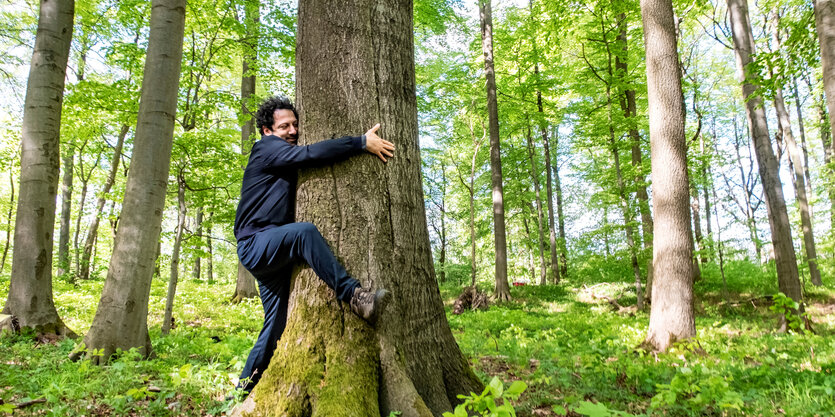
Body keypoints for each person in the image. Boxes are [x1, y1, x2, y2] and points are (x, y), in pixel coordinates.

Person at [233, 95, 394, 395]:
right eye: (284, 127)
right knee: (304, 233)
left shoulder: (278, 154)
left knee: (276, 326)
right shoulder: (265, 148)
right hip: (257, 243)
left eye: (295, 124)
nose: (293, 131)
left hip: (269, 249)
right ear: (267, 131)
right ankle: (356, 297)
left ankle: (244, 389)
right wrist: (360, 143)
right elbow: (309, 154)